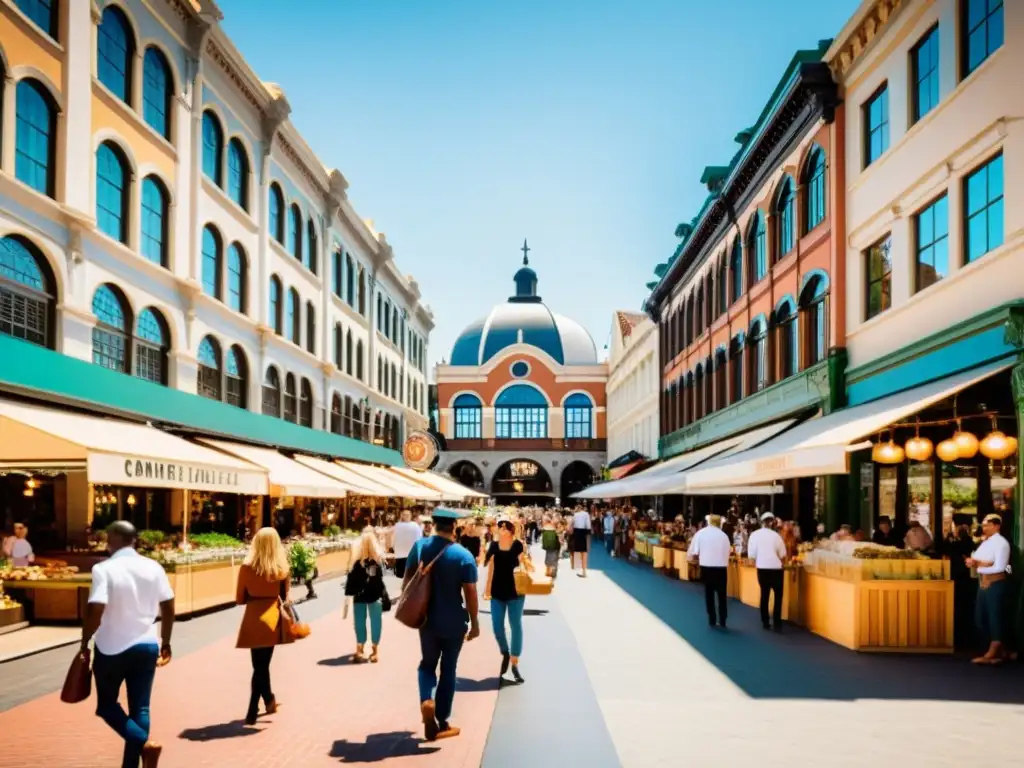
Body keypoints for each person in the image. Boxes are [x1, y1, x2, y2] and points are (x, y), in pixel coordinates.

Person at [80, 521, 174, 768]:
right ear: (134, 540)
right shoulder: (154, 567)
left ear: (113, 540)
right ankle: (131, 763)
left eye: (107, 539)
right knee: (140, 708)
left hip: (112, 647)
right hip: (147, 643)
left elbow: (96, 607)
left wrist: (84, 640)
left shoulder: (104, 569)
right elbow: (169, 605)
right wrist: (166, 641)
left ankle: (145, 743)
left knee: (107, 706)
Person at [403, 507, 480, 742]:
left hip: (427, 620)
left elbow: (407, 581)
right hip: (454, 622)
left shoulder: (420, 548)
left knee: (427, 665)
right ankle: (443, 720)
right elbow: (471, 594)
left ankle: (427, 699)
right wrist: (475, 622)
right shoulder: (463, 555)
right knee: (449, 669)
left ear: (433, 525)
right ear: (454, 527)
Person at [235, 527, 293, 726]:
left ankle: (255, 708)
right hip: (271, 616)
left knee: (258, 665)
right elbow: (285, 598)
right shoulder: (281, 569)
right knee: (263, 665)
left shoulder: (246, 568)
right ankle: (266, 700)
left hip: (253, 616)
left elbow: (239, 599)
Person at [484, 517, 526, 684]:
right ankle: (505, 652)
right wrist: (487, 589)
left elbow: (524, 566)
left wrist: (525, 560)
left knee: (515, 625)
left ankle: (514, 662)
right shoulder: (493, 546)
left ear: (510, 530)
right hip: (497, 592)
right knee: (496, 625)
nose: (501, 529)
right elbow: (490, 568)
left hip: (516, 592)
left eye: (504, 527)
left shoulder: (518, 545)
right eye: (499, 526)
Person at [967, 513, 1011, 665]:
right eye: (984, 525)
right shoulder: (985, 542)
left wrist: (981, 567)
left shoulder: (1002, 544)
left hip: (995, 583)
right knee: (981, 617)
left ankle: (995, 648)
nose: (984, 527)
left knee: (994, 616)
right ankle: (1001, 649)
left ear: (997, 526)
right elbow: (977, 558)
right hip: (983, 582)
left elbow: (1000, 566)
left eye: (988, 525)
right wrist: (977, 563)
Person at [345, 527, 387, 663]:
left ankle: (360, 649)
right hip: (375, 595)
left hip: (359, 596)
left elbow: (351, 580)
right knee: (376, 621)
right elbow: (379, 580)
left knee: (359, 622)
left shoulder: (357, 562)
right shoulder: (377, 562)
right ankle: (375, 651)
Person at [688, 515, 732, 628]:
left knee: (709, 594)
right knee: (722, 596)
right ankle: (723, 620)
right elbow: (728, 552)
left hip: (706, 568)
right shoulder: (724, 536)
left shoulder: (701, 533)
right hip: (721, 569)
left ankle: (712, 619)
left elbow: (695, 553)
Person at [747, 513, 787, 631]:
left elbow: (751, 555)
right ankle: (777, 623)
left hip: (762, 568)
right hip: (776, 569)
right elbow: (783, 554)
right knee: (778, 597)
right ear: (772, 523)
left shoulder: (754, 535)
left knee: (764, 595)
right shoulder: (776, 536)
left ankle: (765, 622)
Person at [392, 510, 422, 579]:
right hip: (406, 555)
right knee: (408, 577)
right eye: (404, 514)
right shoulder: (399, 525)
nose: (406, 516)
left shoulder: (399, 525)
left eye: (407, 514)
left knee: (405, 577)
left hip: (405, 554)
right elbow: (420, 539)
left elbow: (393, 539)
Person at [571, 506, 591, 577]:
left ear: (578, 509)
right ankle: (584, 571)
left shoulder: (575, 515)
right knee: (584, 552)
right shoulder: (586, 514)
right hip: (584, 532)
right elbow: (588, 525)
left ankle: (578, 568)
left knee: (578, 551)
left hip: (577, 532)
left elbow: (572, 524)